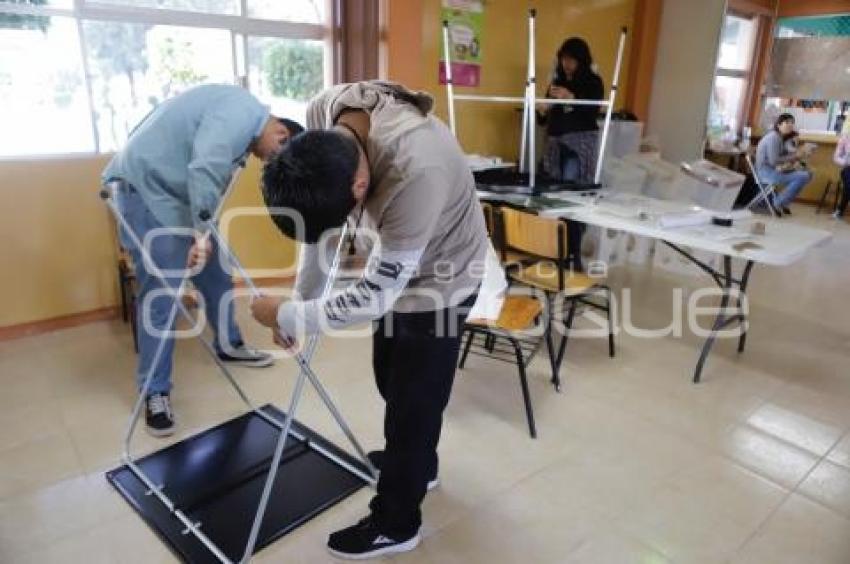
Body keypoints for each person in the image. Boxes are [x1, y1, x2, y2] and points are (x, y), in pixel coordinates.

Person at [249, 81, 491, 559]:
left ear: (360, 187)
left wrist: (292, 314)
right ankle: (419, 463)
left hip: (446, 278)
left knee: (413, 402)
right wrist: (300, 303)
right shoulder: (323, 115)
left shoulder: (415, 167)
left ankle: (398, 522)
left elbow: (375, 296)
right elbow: (322, 233)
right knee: (390, 377)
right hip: (400, 261)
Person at [102, 84, 298, 437]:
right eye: (275, 156)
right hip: (146, 192)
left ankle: (229, 344)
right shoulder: (240, 112)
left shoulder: (245, 122)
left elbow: (207, 173)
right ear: (281, 132)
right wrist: (199, 233)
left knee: (216, 275)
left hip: (176, 196)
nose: (266, 161)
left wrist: (201, 232)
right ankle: (155, 392)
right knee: (162, 295)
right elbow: (204, 167)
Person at [755, 113, 813, 216]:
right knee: (804, 176)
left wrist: (798, 153)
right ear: (779, 124)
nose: (790, 125)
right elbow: (774, 160)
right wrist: (796, 156)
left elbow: (785, 154)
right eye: (787, 122)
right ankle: (778, 202)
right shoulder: (773, 137)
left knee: (807, 174)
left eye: (792, 123)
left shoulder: (780, 137)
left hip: (773, 170)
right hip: (765, 173)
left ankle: (783, 202)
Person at [832, 120, 850, 220]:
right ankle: (840, 210)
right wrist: (845, 161)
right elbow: (836, 157)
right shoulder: (845, 138)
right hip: (848, 168)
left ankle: (840, 210)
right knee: (849, 183)